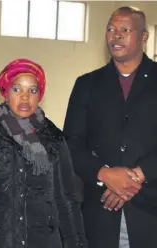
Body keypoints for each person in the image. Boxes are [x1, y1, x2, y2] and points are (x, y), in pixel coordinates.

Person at [63, 6, 157, 248]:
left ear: (143, 38)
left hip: (150, 210)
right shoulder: (87, 84)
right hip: (101, 212)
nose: (115, 36)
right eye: (111, 29)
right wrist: (105, 174)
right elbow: (71, 143)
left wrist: (133, 177)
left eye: (125, 30)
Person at [0, 59, 88, 248]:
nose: (25, 97)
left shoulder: (53, 137)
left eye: (32, 90)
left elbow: (66, 198)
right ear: (5, 91)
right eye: (17, 89)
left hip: (42, 240)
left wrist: (76, 243)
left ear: (40, 94)